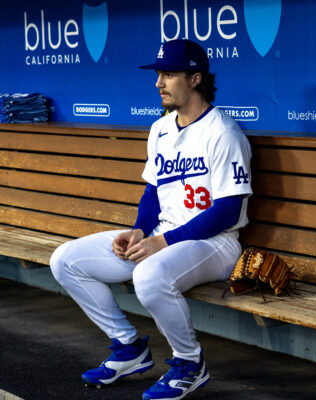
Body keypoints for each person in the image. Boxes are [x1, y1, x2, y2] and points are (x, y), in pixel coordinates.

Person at [50, 39, 252, 400]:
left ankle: (191, 363)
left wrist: (162, 242)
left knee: (148, 273)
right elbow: (153, 193)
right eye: (159, 74)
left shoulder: (223, 132)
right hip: (164, 236)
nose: (159, 83)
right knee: (66, 259)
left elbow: (228, 211)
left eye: (169, 74)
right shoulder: (161, 128)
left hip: (215, 244)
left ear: (195, 79)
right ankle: (128, 349)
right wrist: (140, 230)